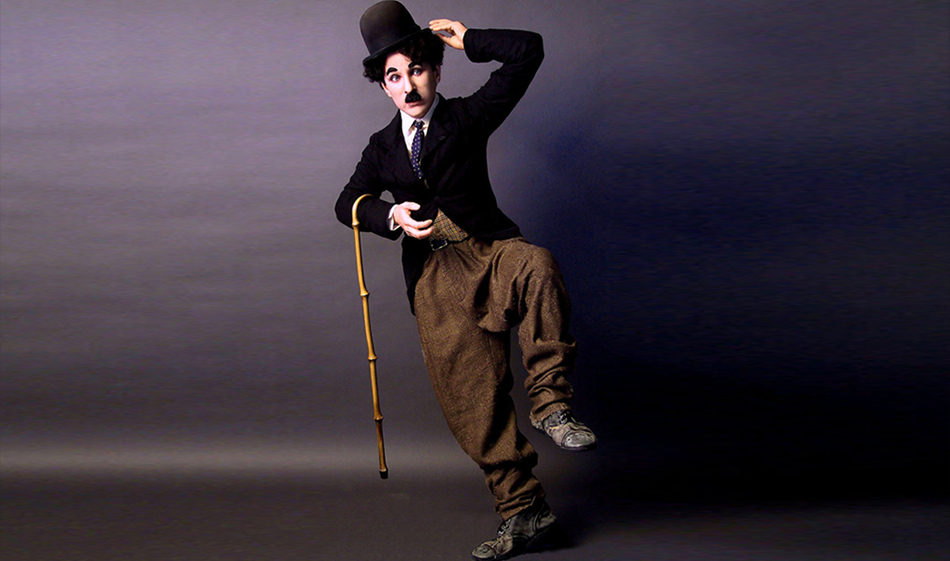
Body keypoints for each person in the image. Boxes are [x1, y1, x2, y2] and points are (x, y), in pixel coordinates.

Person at [334, 2, 596, 559]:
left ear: (435, 68)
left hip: (489, 250)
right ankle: (525, 513)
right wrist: (390, 215)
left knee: (538, 265)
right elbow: (346, 202)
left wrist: (467, 37)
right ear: (383, 85)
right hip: (434, 278)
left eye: (416, 70)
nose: (408, 87)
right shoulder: (381, 147)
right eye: (394, 76)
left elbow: (527, 52)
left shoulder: (468, 116)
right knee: (471, 400)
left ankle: (551, 403)